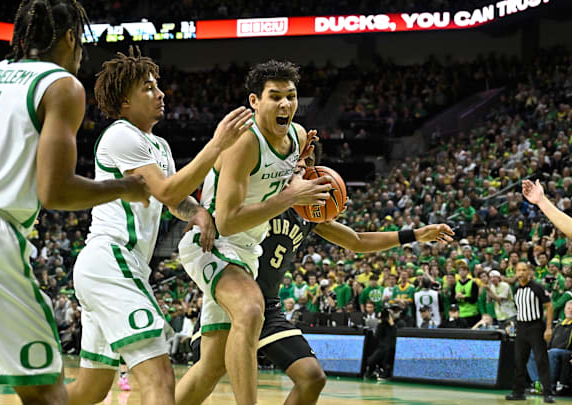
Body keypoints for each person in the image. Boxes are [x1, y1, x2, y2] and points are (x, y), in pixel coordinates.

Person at [0, 2, 150, 404]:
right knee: (45, 391)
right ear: (72, 36)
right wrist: (124, 187)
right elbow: (54, 192)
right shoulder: (62, 85)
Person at [182, 130, 452, 405]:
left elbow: (357, 240)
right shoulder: (264, 195)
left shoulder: (310, 216)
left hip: (269, 307)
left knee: (312, 378)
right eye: (296, 162)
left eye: (306, 164)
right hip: (237, 296)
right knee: (212, 369)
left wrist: (415, 235)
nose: (300, 168)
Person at [66, 48, 252, 405]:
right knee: (160, 378)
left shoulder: (159, 145)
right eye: (148, 88)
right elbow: (166, 189)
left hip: (113, 267)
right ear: (123, 102)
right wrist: (216, 145)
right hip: (112, 262)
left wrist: (197, 212)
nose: (161, 93)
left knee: (90, 389)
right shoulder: (121, 135)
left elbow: (174, 199)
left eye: (158, 86)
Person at [175, 60, 331, 405]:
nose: (285, 104)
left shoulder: (298, 136)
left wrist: (302, 177)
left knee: (212, 365)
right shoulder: (244, 144)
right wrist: (290, 196)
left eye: (291, 96)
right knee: (249, 309)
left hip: (248, 251)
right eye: (275, 97)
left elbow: (289, 179)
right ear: (254, 101)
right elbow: (227, 221)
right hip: (211, 242)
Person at [505, 263, 554, 403]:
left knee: (541, 360)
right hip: (521, 327)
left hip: (535, 327)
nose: (521, 273)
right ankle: (518, 392)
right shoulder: (516, 289)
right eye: (518, 270)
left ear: (529, 272)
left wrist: (548, 328)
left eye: (523, 270)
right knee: (519, 361)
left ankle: (547, 393)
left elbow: (549, 306)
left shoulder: (537, 287)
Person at [527, 300, 572, 395]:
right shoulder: (558, 326)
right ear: (564, 310)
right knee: (531, 351)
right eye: (568, 308)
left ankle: (550, 386)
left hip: (567, 352)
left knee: (553, 352)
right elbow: (549, 342)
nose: (570, 310)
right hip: (553, 350)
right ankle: (537, 383)